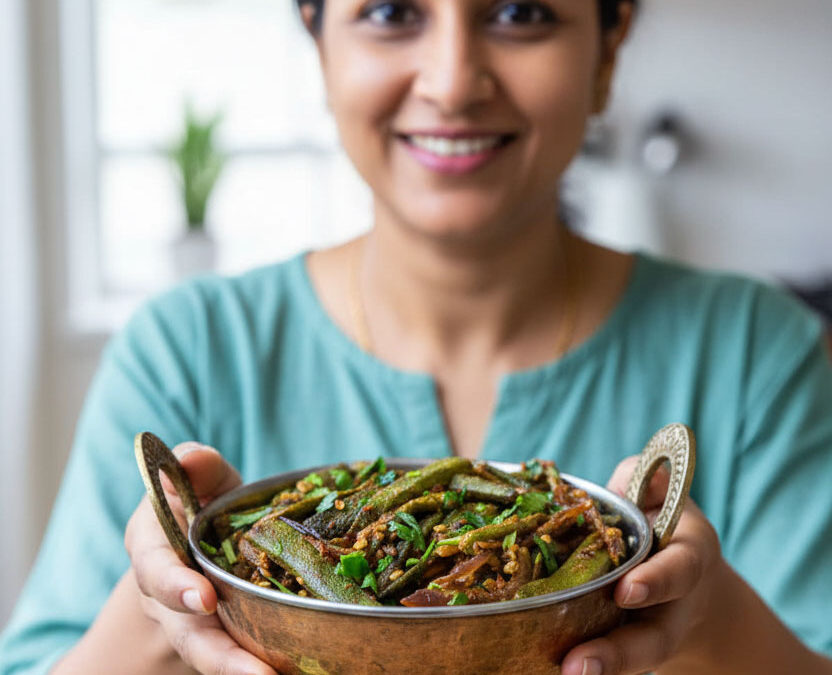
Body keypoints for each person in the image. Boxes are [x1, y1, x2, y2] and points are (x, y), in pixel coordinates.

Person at [2, 1, 831, 673]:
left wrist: (709, 618)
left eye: (520, 13)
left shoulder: (758, 353)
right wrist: (169, 604)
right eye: (392, 12)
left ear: (608, 51)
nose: (452, 81)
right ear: (318, 42)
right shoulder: (186, 351)